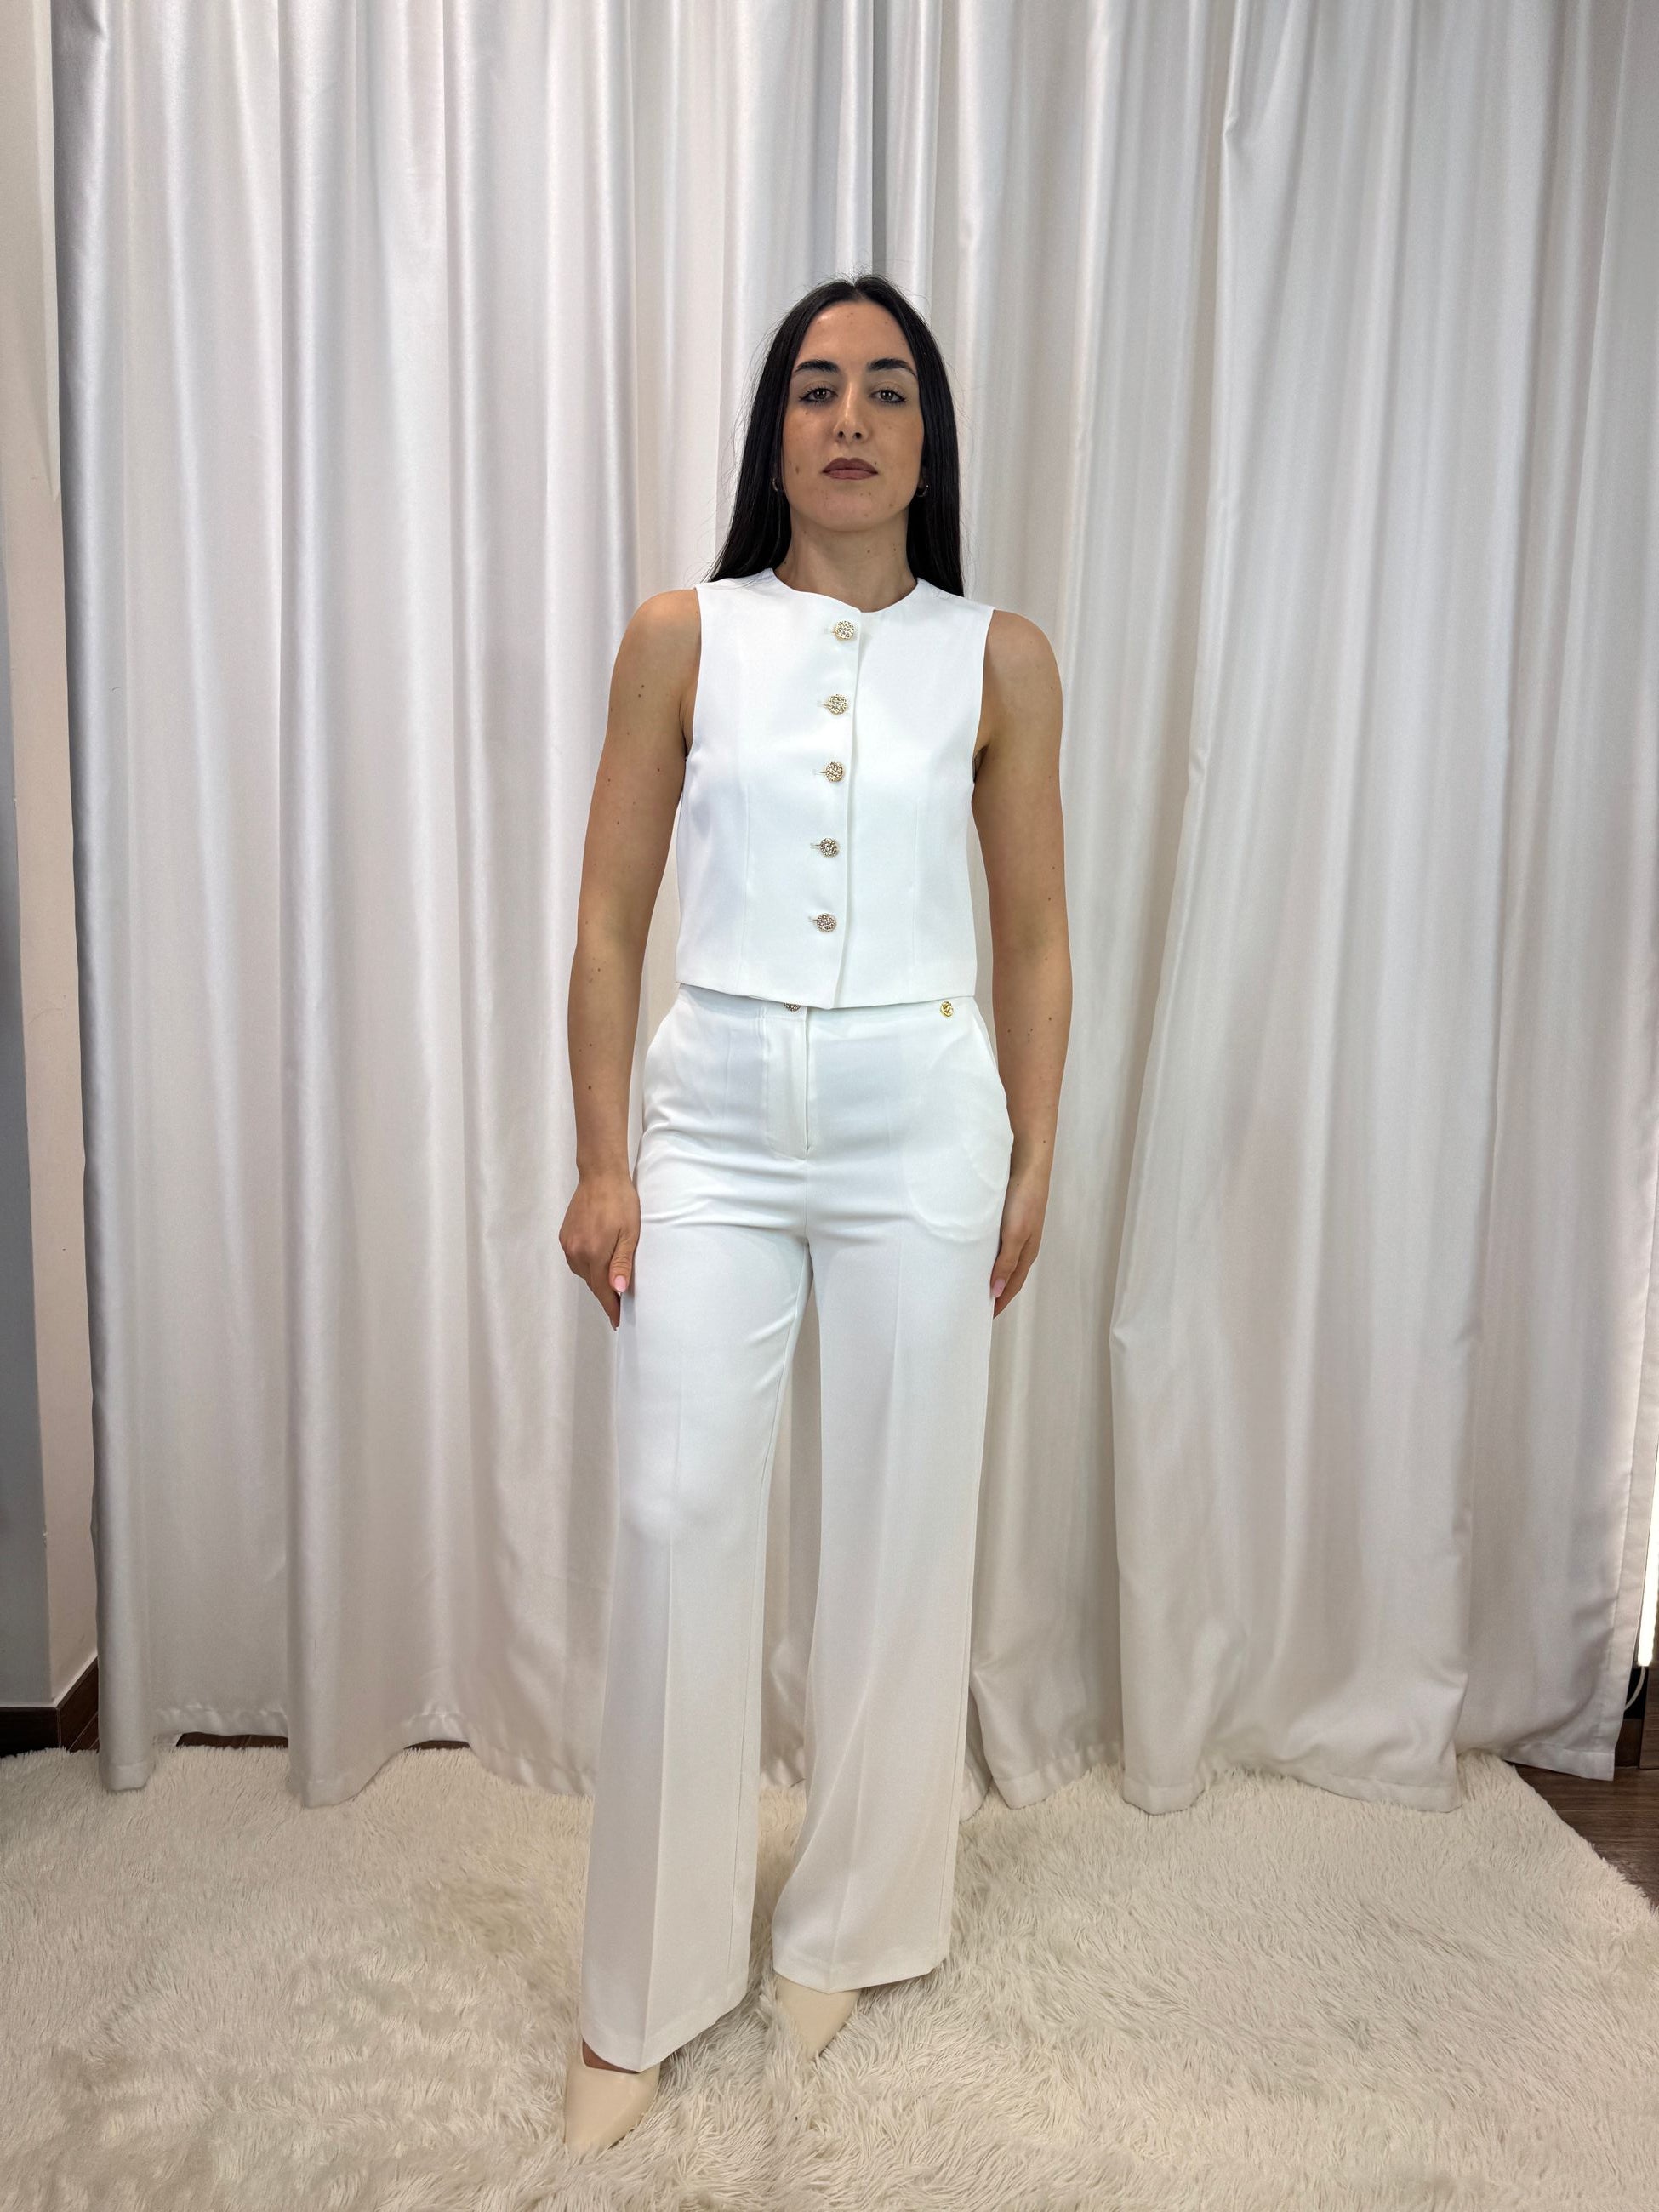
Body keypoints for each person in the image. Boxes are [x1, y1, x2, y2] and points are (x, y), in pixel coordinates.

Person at [558, 272, 1069, 2156]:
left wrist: (1033, 1148)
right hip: (717, 1119)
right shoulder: (682, 635)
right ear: (774, 431)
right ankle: (643, 1984)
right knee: (678, 1512)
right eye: (815, 387)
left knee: (904, 1523)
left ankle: (857, 1918)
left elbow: (1035, 933)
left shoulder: (997, 658)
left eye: (888, 390)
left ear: (930, 440)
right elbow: (610, 918)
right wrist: (603, 1158)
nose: (850, 418)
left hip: (923, 1117)